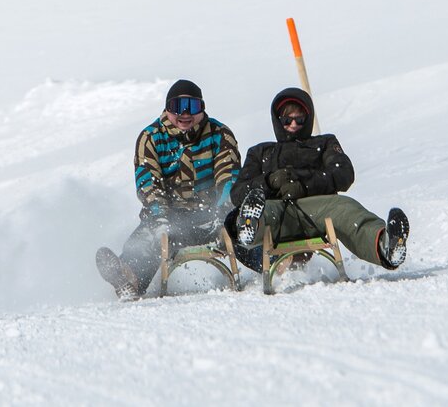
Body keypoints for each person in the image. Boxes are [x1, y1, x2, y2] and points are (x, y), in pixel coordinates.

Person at [228, 87, 410, 274]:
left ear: (308, 119)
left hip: (317, 208)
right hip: (277, 209)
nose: (293, 124)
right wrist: (269, 181)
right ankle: (248, 227)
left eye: (299, 119)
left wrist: (305, 183)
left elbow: (343, 174)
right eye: (286, 119)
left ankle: (384, 245)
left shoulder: (324, 144)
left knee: (345, 208)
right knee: (255, 210)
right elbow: (238, 193)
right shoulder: (261, 152)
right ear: (277, 120)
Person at [96, 80, 241, 300]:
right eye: (177, 106)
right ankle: (128, 278)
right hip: (170, 215)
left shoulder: (219, 134)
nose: (184, 114)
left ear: (202, 109)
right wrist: (160, 217)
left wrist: (224, 208)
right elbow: (148, 182)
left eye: (192, 107)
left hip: (211, 214)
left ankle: (277, 266)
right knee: (151, 238)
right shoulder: (152, 138)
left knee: (245, 222)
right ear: (167, 108)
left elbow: (228, 173)